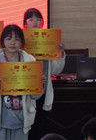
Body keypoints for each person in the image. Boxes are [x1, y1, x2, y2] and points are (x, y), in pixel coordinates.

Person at [0, 24, 42, 140]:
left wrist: (39, 85)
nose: (12, 43)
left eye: (17, 39)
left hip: (22, 120)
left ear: (21, 42)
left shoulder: (30, 61)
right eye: (8, 39)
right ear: (3, 41)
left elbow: (35, 96)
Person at [22, 8, 65, 140]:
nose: (35, 22)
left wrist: (60, 52)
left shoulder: (48, 41)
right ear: (25, 23)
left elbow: (56, 70)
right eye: (31, 19)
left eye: (38, 19)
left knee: (38, 128)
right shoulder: (20, 42)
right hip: (24, 92)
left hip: (43, 91)